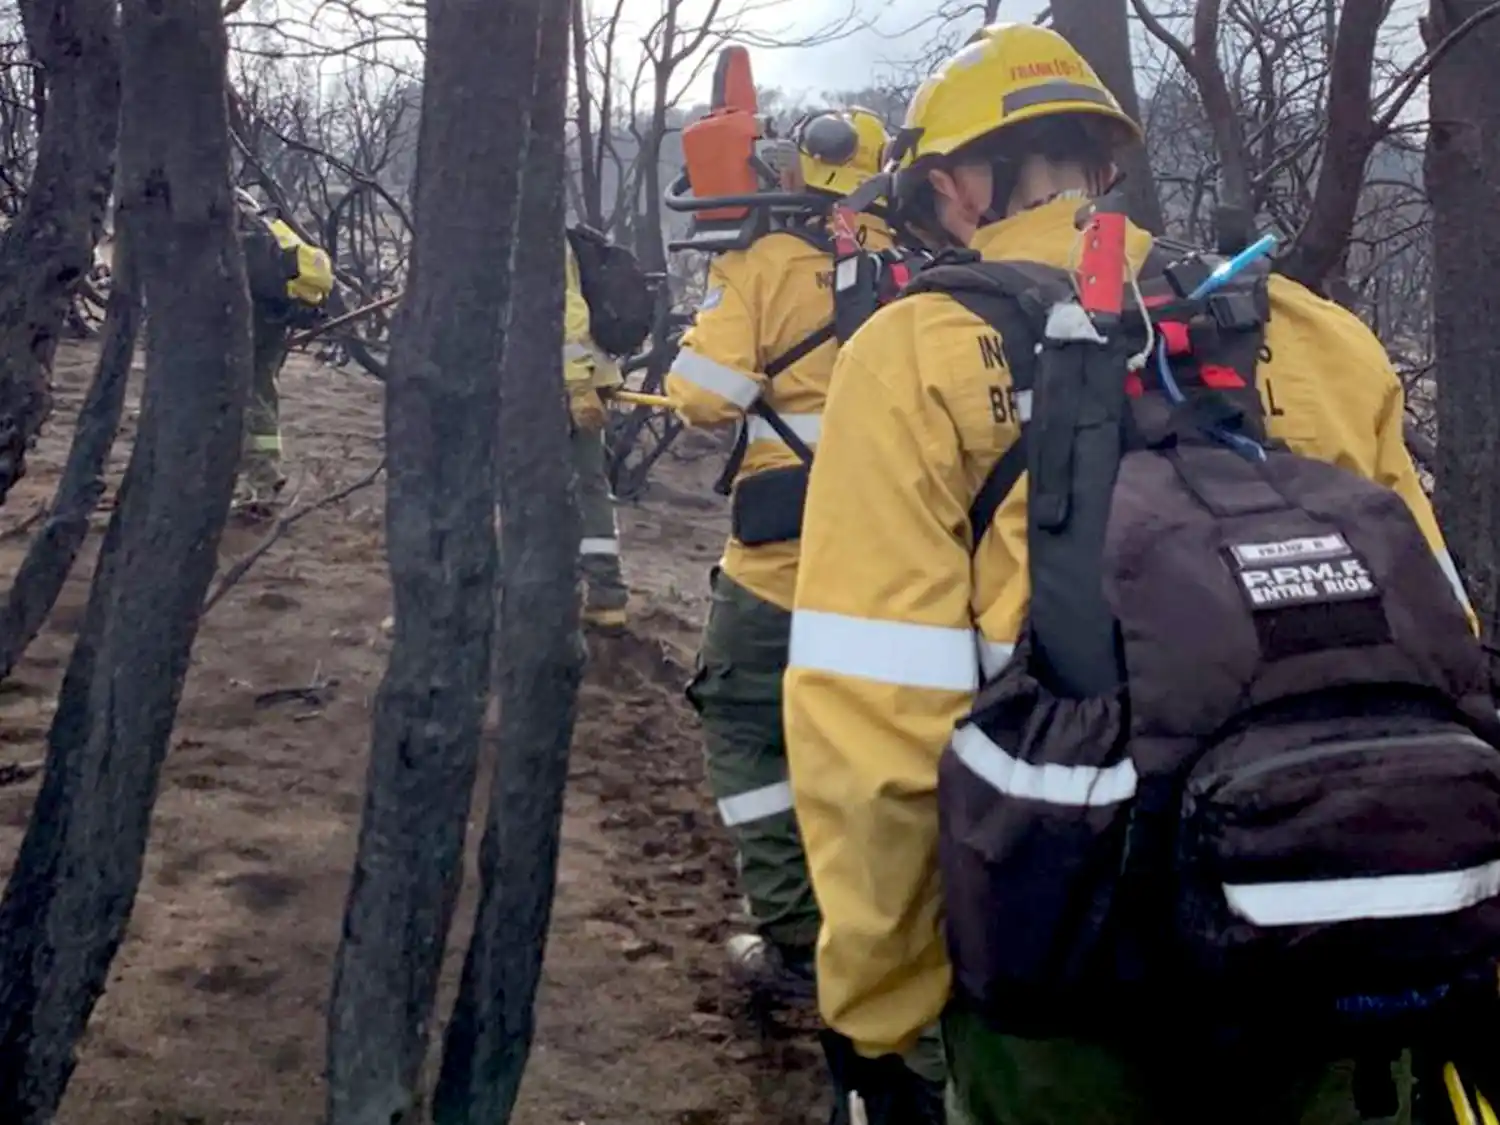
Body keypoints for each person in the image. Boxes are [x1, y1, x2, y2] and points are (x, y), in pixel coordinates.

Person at [782, 23, 1483, 1125]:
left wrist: (880, 1008)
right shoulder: (1311, 330)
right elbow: (1450, 650)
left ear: (957, 183)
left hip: (1071, 987)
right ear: (1106, 165)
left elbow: (877, 729)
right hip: (1338, 947)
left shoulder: (911, 354)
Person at [664, 106, 945, 1121]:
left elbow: (702, 397)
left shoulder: (768, 262)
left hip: (780, 562)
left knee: (746, 721)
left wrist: (711, 321)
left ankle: (792, 935)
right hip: (898, 559)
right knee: (883, 747)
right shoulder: (920, 259)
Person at [233, 189, 333, 512]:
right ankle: (259, 473)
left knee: (250, 393)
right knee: (262, 390)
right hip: (276, 321)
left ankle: (263, 477)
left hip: (255, 321)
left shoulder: (242, 231)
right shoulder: (269, 232)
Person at [564, 233, 629, 630]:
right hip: (584, 375)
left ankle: (604, 594)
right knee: (588, 487)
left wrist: (577, 386)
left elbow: (568, 312)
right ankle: (605, 598)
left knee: (584, 488)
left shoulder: (536, 233)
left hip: (568, 380)